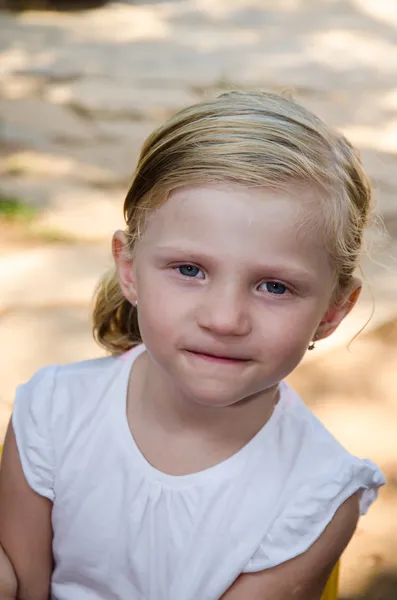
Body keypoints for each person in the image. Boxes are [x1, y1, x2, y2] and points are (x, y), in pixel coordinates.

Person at [0, 91, 386, 600]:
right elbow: (25, 585)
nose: (225, 320)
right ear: (129, 269)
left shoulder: (315, 493)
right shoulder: (50, 413)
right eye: (190, 270)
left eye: (274, 286)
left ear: (334, 310)